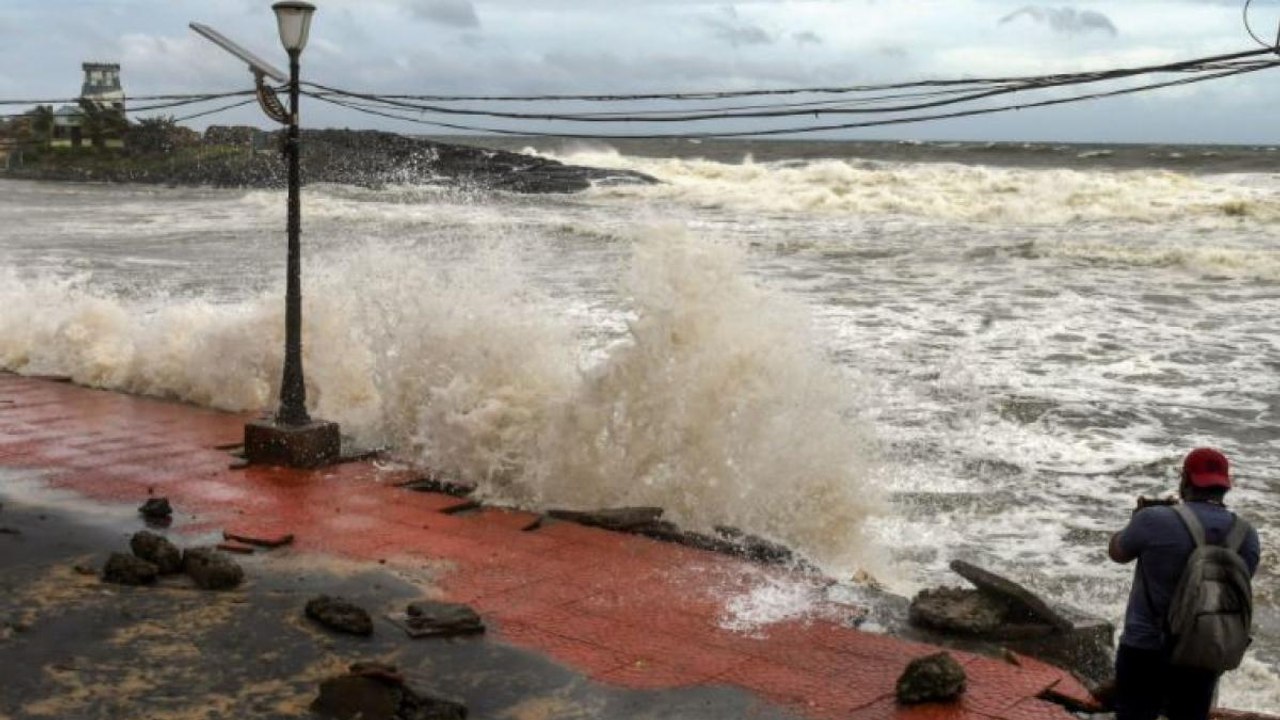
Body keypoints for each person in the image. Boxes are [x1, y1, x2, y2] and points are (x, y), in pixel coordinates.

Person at [1108, 447, 1262, 720]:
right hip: (1203, 651)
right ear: (1225, 486)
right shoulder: (1246, 534)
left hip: (1145, 647)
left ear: (1185, 480)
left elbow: (1117, 553)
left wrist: (1138, 519)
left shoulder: (1153, 520)